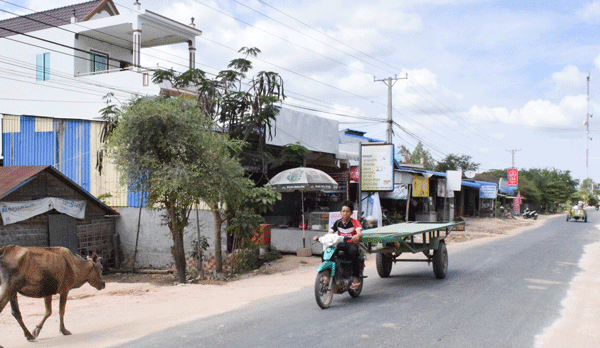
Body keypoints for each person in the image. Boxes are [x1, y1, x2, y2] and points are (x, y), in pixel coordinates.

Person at [313, 200, 363, 290]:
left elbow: (359, 233)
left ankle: (356, 278)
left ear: (351, 213)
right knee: (326, 253)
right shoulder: (337, 222)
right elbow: (329, 234)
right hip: (340, 244)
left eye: (347, 211)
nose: (345, 213)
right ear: (340, 212)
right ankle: (327, 275)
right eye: (343, 211)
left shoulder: (355, 222)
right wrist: (321, 238)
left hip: (350, 243)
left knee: (354, 252)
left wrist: (357, 235)